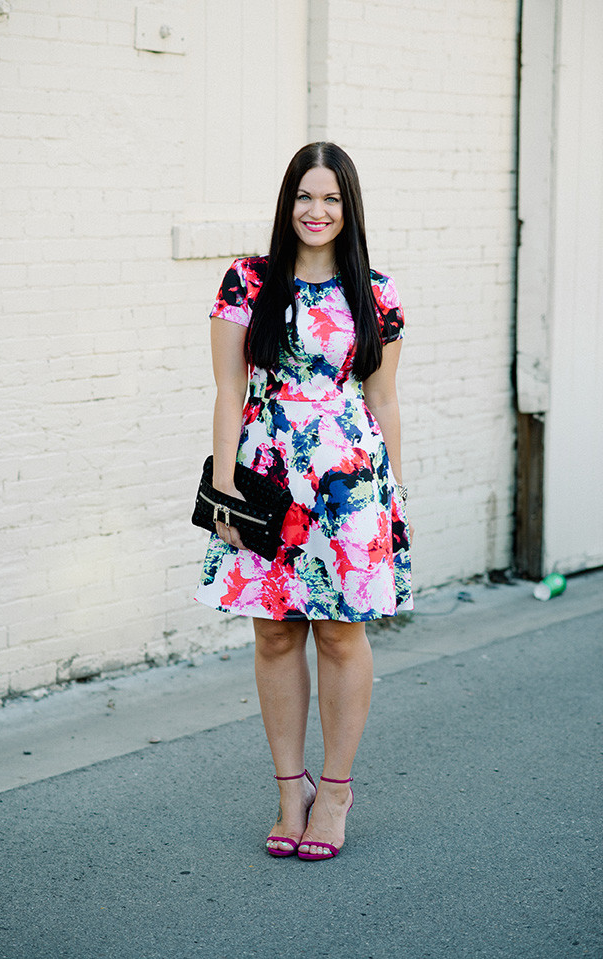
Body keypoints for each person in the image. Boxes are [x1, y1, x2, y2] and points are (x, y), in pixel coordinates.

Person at [195, 142, 413, 861]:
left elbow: (383, 400)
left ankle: (338, 790)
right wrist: (224, 486)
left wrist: (394, 501)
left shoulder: (375, 293)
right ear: (287, 204)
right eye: (304, 196)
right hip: (267, 478)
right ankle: (292, 790)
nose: (316, 211)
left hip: (348, 486)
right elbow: (230, 391)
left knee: (342, 633)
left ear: (348, 209)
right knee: (276, 632)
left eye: (331, 199)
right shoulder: (247, 281)